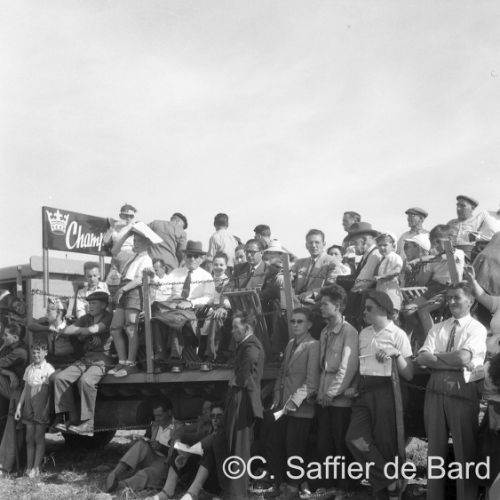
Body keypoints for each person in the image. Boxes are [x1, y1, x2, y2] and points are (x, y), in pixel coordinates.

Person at [415, 283, 487, 500]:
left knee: (465, 449)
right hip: (435, 387)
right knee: (435, 450)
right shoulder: (438, 328)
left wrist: (436, 359)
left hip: (462, 387)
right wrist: (452, 361)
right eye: (449, 298)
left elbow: (463, 358)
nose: (451, 302)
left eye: (457, 297)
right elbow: (421, 357)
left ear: (470, 301)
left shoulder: (477, 328)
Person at [346, 291, 413, 500]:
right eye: (364, 308)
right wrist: (354, 386)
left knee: (386, 444)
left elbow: (409, 374)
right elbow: (361, 365)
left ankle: (390, 494)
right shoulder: (363, 333)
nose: (364, 312)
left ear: (383, 309)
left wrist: (396, 354)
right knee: (354, 437)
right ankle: (389, 480)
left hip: (388, 389)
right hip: (364, 390)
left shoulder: (398, 334)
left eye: (369, 308)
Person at [268, 308, 320, 498]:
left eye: (300, 321)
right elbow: (282, 372)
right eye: (293, 321)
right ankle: (283, 484)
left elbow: (312, 382)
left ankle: (292, 488)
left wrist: (294, 401)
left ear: (309, 325)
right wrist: (277, 394)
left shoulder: (313, 345)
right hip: (283, 405)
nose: (296, 325)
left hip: (301, 408)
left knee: (295, 448)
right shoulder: (291, 343)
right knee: (278, 444)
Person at [316, 285, 358, 497]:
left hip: (338, 400)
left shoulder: (349, 332)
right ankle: (329, 484)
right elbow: (322, 367)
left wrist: (331, 393)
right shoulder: (324, 332)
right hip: (324, 397)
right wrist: (321, 393)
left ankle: (345, 488)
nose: (321, 307)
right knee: (325, 444)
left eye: (325, 304)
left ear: (338, 306)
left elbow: (347, 367)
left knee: (341, 443)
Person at [53, 291, 113, 435]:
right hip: (86, 358)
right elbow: (67, 330)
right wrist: (85, 332)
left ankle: (88, 423)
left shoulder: (109, 316)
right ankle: (68, 419)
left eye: (94, 303)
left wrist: (84, 332)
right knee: (60, 378)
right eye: (89, 303)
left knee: (86, 381)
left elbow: (95, 329)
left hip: (103, 358)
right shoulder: (86, 318)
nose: (90, 306)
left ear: (103, 305)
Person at [151, 241, 215, 371]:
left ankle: (176, 359)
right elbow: (163, 287)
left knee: (177, 318)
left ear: (201, 259)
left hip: (193, 309)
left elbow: (209, 298)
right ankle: (160, 357)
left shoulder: (206, 276)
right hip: (173, 306)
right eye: (189, 255)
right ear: (184, 257)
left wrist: (190, 302)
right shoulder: (175, 273)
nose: (192, 259)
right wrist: (152, 278)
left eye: (196, 256)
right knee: (156, 317)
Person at [145, 403, 225, 500]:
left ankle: (192, 494)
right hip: (203, 478)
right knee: (182, 445)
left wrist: (188, 453)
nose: (215, 419)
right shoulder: (205, 426)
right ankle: (167, 491)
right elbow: (182, 432)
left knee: (208, 450)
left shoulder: (228, 431)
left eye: (219, 416)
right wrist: (179, 445)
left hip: (220, 481)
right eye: (213, 416)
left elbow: (210, 440)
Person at [223, 310, 264, 499]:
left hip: (244, 399)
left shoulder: (251, 345)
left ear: (246, 328)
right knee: (234, 444)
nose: (232, 331)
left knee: (239, 447)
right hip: (240, 397)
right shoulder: (245, 345)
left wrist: (236, 380)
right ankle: (234, 492)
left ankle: (238, 495)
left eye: (235, 327)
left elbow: (244, 375)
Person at [108, 230, 154, 378]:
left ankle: (131, 363)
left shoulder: (147, 258)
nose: (136, 243)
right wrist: (127, 234)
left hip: (133, 290)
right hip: (125, 288)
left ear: (147, 243)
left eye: (139, 241)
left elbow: (140, 279)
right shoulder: (132, 256)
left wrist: (123, 289)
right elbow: (114, 251)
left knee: (131, 328)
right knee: (115, 328)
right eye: (134, 241)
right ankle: (122, 361)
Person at [105, 400, 176, 492]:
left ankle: (121, 486)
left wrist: (161, 448)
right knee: (141, 444)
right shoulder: (155, 425)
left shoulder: (178, 427)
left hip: (165, 461)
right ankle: (114, 474)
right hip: (152, 456)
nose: (157, 419)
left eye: (160, 415)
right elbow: (147, 439)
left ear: (169, 413)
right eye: (155, 416)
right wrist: (145, 441)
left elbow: (178, 453)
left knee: (146, 473)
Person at [14, 341, 54, 477]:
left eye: (39, 352)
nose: (36, 355)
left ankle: (36, 468)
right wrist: (19, 407)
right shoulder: (29, 368)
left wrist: (47, 409)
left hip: (41, 404)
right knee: (29, 437)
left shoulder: (48, 369)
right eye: (34, 352)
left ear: (45, 353)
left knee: (39, 437)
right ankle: (29, 466)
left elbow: (51, 393)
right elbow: (26, 388)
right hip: (29, 405)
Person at [0, 323, 28, 474]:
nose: (3, 337)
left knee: (14, 426)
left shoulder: (20, 351)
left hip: (20, 392)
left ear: (15, 337)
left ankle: (8, 463)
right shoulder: (8, 347)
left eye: (6, 335)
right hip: (11, 386)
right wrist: (9, 373)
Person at [28, 297, 76, 367]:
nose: (46, 314)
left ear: (59, 313)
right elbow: (30, 327)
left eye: (48, 311)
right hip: (50, 363)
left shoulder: (70, 328)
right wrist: (48, 328)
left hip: (67, 364)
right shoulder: (46, 323)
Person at [374, 232, 403, 314]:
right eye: (379, 245)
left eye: (385, 245)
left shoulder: (395, 257)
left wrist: (383, 276)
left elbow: (397, 270)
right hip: (382, 289)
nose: (382, 248)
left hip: (391, 289)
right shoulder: (382, 259)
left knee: (392, 312)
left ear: (393, 246)